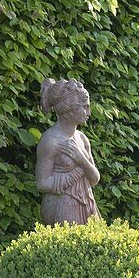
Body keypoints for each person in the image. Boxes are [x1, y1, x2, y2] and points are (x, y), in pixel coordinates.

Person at [36, 78, 100, 225]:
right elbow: (42, 183)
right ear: (69, 110)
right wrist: (73, 175)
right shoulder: (50, 141)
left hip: (86, 202)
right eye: (84, 107)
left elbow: (95, 178)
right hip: (62, 206)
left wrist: (81, 160)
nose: (89, 112)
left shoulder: (82, 139)